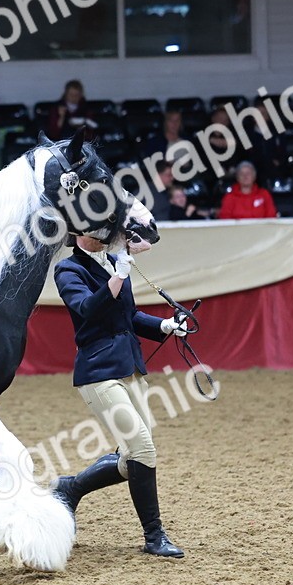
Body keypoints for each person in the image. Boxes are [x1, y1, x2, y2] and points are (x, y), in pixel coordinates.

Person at [51, 236, 190, 557]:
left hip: (131, 368)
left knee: (134, 458)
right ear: (79, 234)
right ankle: (154, 536)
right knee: (142, 448)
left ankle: (70, 488)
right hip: (99, 373)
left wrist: (165, 325)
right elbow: (88, 308)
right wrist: (118, 277)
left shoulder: (115, 263)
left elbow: (127, 317)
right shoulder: (68, 269)